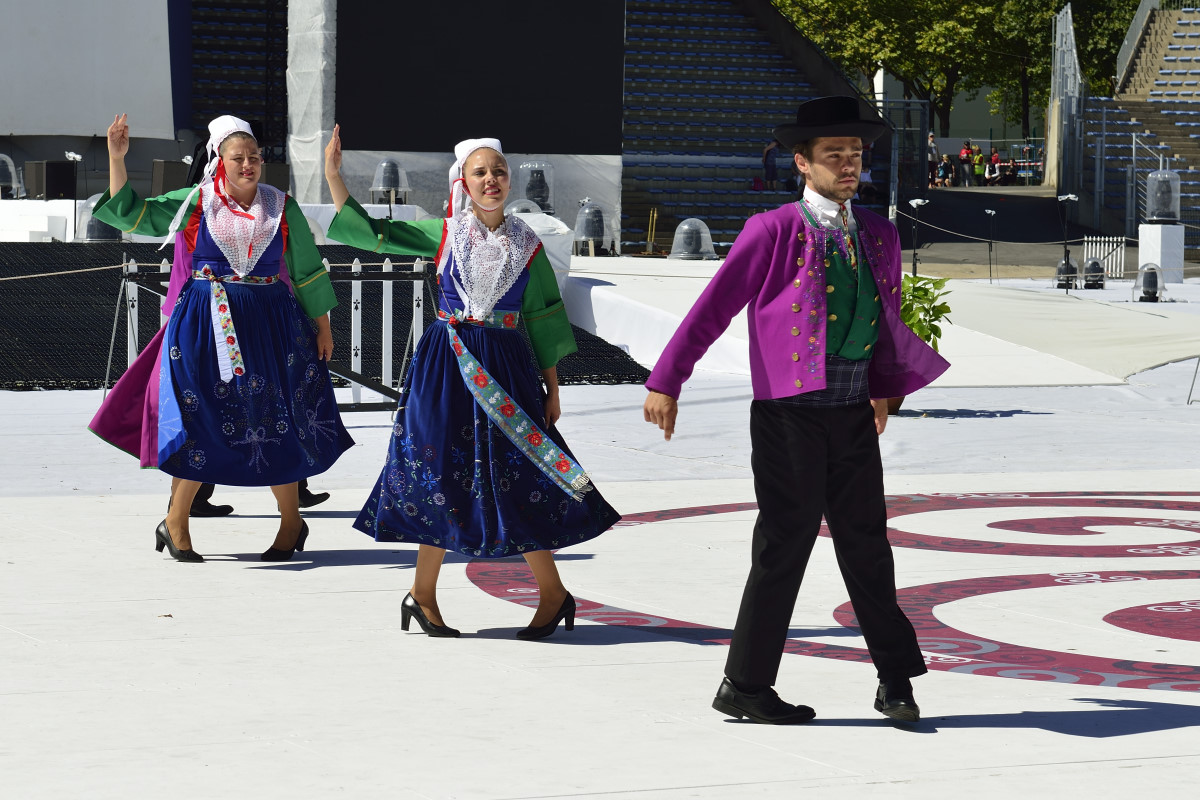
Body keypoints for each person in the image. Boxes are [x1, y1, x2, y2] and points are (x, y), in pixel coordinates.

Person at [642, 96, 950, 725]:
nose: (848, 165)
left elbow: (882, 319)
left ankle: (895, 680)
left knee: (868, 546)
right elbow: (712, 309)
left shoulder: (880, 233)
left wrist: (884, 389)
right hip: (789, 416)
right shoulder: (772, 230)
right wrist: (667, 379)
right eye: (833, 156)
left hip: (852, 412)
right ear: (802, 164)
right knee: (785, 543)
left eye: (855, 156)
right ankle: (746, 685)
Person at [323, 127, 620, 639]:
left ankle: (552, 594)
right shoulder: (443, 234)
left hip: (505, 367)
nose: (491, 180)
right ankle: (423, 594)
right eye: (480, 172)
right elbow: (371, 233)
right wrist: (333, 177)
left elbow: (544, 317)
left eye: (499, 171)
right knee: (438, 471)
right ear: (463, 180)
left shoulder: (528, 245)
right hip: (446, 366)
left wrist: (552, 389)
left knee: (519, 474)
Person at [90, 114, 354, 563]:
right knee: (199, 414)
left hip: (271, 322)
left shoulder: (281, 205)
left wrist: (324, 326)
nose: (248, 164)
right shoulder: (195, 202)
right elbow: (133, 215)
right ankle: (177, 520)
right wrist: (117, 160)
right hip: (203, 320)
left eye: (254, 157)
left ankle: (291, 522)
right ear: (219, 160)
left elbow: (308, 270)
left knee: (275, 417)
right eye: (239, 157)